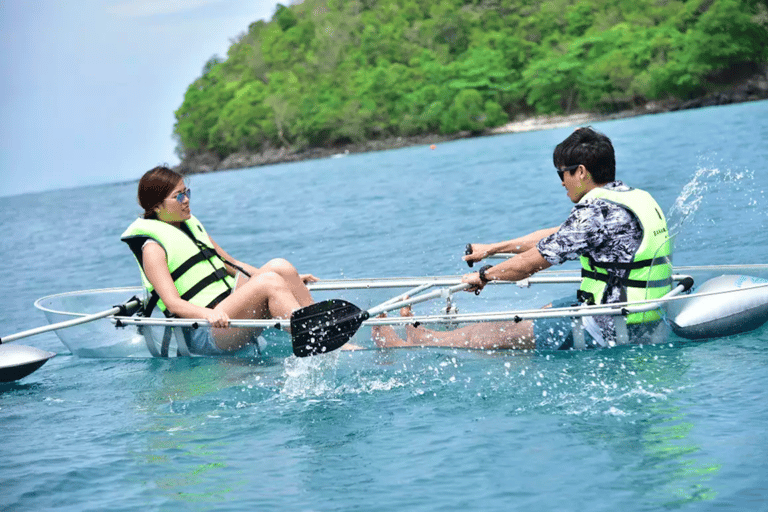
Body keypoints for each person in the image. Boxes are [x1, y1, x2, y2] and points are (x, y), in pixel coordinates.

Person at [373, 127, 673, 350]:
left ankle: (418, 342)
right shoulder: (629, 198)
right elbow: (557, 235)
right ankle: (452, 340)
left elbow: (530, 264)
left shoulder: (597, 211)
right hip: (638, 315)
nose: (562, 183)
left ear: (580, 172)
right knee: (539, 313)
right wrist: (492, 249)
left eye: (562, 174)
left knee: (500, 330)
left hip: (612, 325)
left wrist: (483, 276)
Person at [121, 166, 318, 355]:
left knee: (279, 267)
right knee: (269, 281)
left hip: (228, 307)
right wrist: (209, 315)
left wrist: (286, 281)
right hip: (205, 331)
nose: (186, 200)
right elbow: (173, 304)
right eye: (178, 196)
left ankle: (321, 326)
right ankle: (315, 338)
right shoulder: (153, 249)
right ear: (156, 206)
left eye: (187, 192)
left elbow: (232, 264)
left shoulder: (190, 228)